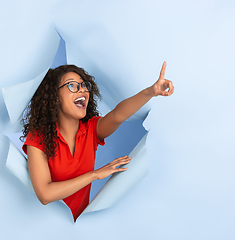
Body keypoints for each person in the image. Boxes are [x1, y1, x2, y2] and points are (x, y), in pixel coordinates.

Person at [21, 62, 174, 221]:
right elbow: (45, 194)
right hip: (41, 226)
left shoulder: (91, 130)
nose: (82, 89)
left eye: (84, 85)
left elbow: (117, 115)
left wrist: (150, 92)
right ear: (54, 97)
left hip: (76, 227)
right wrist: (95, 175)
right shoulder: (38, 137)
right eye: (72, 85)